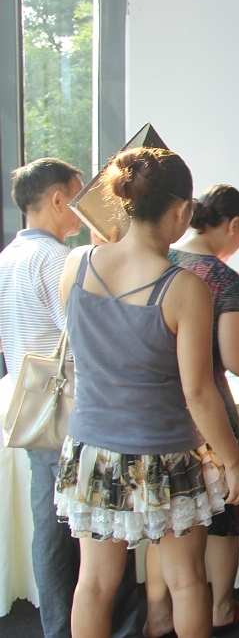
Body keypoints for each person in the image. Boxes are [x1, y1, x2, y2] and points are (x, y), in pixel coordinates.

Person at [52, 147, 239, 638]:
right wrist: (234, 463)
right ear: (182, 210)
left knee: (93, 585)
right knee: (186, 582)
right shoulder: (184, 288)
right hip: (166, 454)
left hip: (92, 448)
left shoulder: (75, 264)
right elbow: (198, 392)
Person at [0, 158, 140, 638]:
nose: (85, 208)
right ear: (58, 200)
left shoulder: (7, 258)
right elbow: (87, 337)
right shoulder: (59, 260)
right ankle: (111, 627)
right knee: (102, 526)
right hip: (77, 409)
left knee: (50, 525)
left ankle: (58, 627)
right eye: (79, 197)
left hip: (33, 408)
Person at [142, 185, 239, 636]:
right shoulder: (223, 280)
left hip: (159, 412)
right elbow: (237, 361)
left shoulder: (159, 261)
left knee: (166, 520)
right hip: (209, 414)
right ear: (234, 224)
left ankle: (158, 614)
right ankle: (221, 606)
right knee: (224, 515)